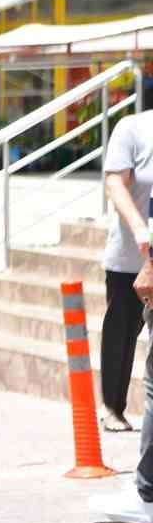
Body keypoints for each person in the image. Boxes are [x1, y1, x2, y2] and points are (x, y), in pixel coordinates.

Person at [102, 106, 153, 433]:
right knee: (122, 331)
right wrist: (139, 229)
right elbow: (115, 184)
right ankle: (113, 407)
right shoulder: (133, 128)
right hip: (131, 260)